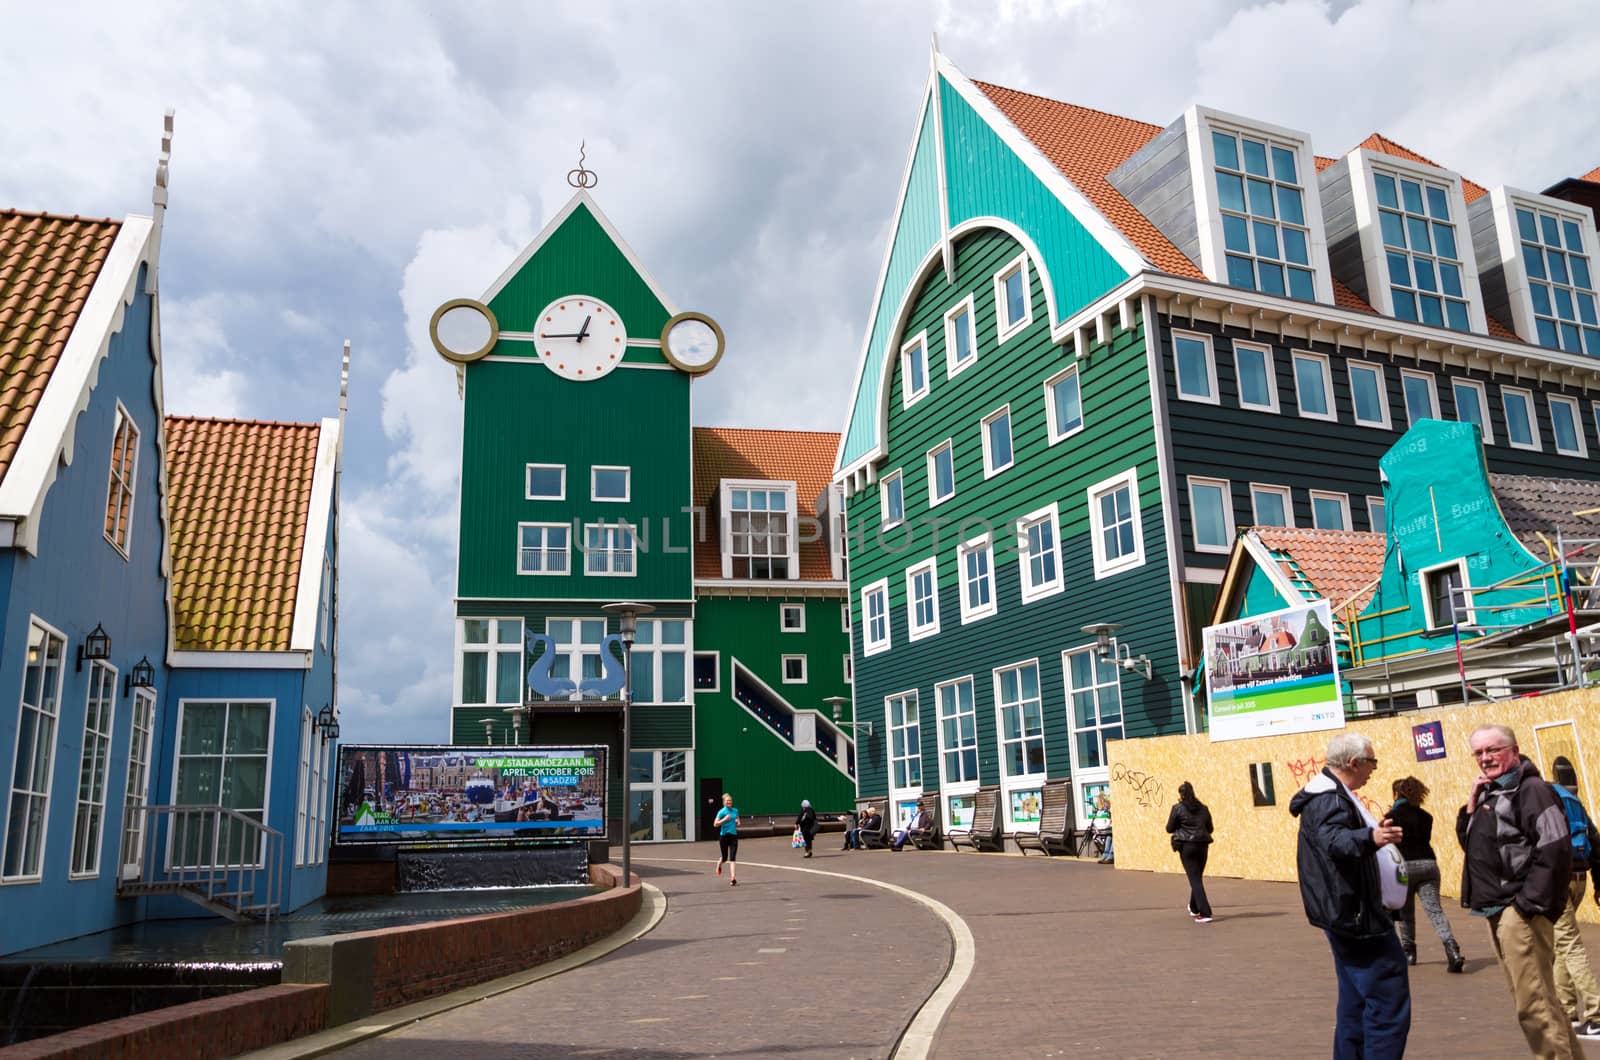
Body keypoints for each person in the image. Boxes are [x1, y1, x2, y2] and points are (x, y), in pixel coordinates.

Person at [1458, 724, 1579, 1057]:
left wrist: (1526, 905)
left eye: (1493, 750)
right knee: (1541, 1000)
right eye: (1479, 752)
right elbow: (1476, 850)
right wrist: (1469, 807)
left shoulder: (1531, 790)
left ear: (1513, 750)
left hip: (1518, 910)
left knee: (1533, 1006)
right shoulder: (1492, 791)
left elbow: (1555, 848)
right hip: (1498, 909)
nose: (1485, 758)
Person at [1288, 731, 1410, 1059]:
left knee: (1356, 1000)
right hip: (1357, 916)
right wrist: (1372, 837)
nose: (1374, 769)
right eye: (1372, 762)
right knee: (1387, 1000)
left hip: (1349, 911)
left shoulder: (1335, 793)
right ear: (1354, 763)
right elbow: (1335, 841)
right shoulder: (1330, 798)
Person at [1387, 776, 1465, 973]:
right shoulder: (1426, 817)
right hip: (1428, 865)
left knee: (1405, 912)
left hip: (1403, 866)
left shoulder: (1392, 816)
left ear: (1398, 793)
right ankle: (1451, 948)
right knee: (1435, 910)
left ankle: (1409, 952)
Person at [1548, 757, 1600, 1038]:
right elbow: (1596, 841)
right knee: (1560, 946)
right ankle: (1567, 1012)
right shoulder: (1574, 802)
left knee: (1569, 945)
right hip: (1579, 876)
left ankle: (1595, 1013)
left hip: (1558, 880)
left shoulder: (1545, 799)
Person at [1165, 781, 1214, 923]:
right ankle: (1193, 907)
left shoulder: (1177, 808)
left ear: (1181, 794)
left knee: (1195, 879)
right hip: (1203, 845)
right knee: (1197, 877)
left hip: (1187, 846)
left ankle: (1205, 912)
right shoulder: (1204, 809)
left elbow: (1169, 828)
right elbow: (1210, 828)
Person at [713, 792, 739, 886]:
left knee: (732, 858)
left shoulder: (735, 810)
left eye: (730, 800)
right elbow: (715, 824)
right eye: (727, 801)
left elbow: (738, 820)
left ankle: (733, 878)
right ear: (724, 802)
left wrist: (737, 822)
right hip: (724, 836)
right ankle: (719, 864)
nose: (729, 802)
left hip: (733, 836)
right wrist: (724, 820)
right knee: (724, 858)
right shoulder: (721, 812)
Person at [1092, 791, 1114, 863]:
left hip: (1110, 827)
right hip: (1108, 827)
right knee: (1109, 836)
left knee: (1111, 837)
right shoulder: (1105, 809)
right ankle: (1106, 855)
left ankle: (1109, 856)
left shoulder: (1108, 809)